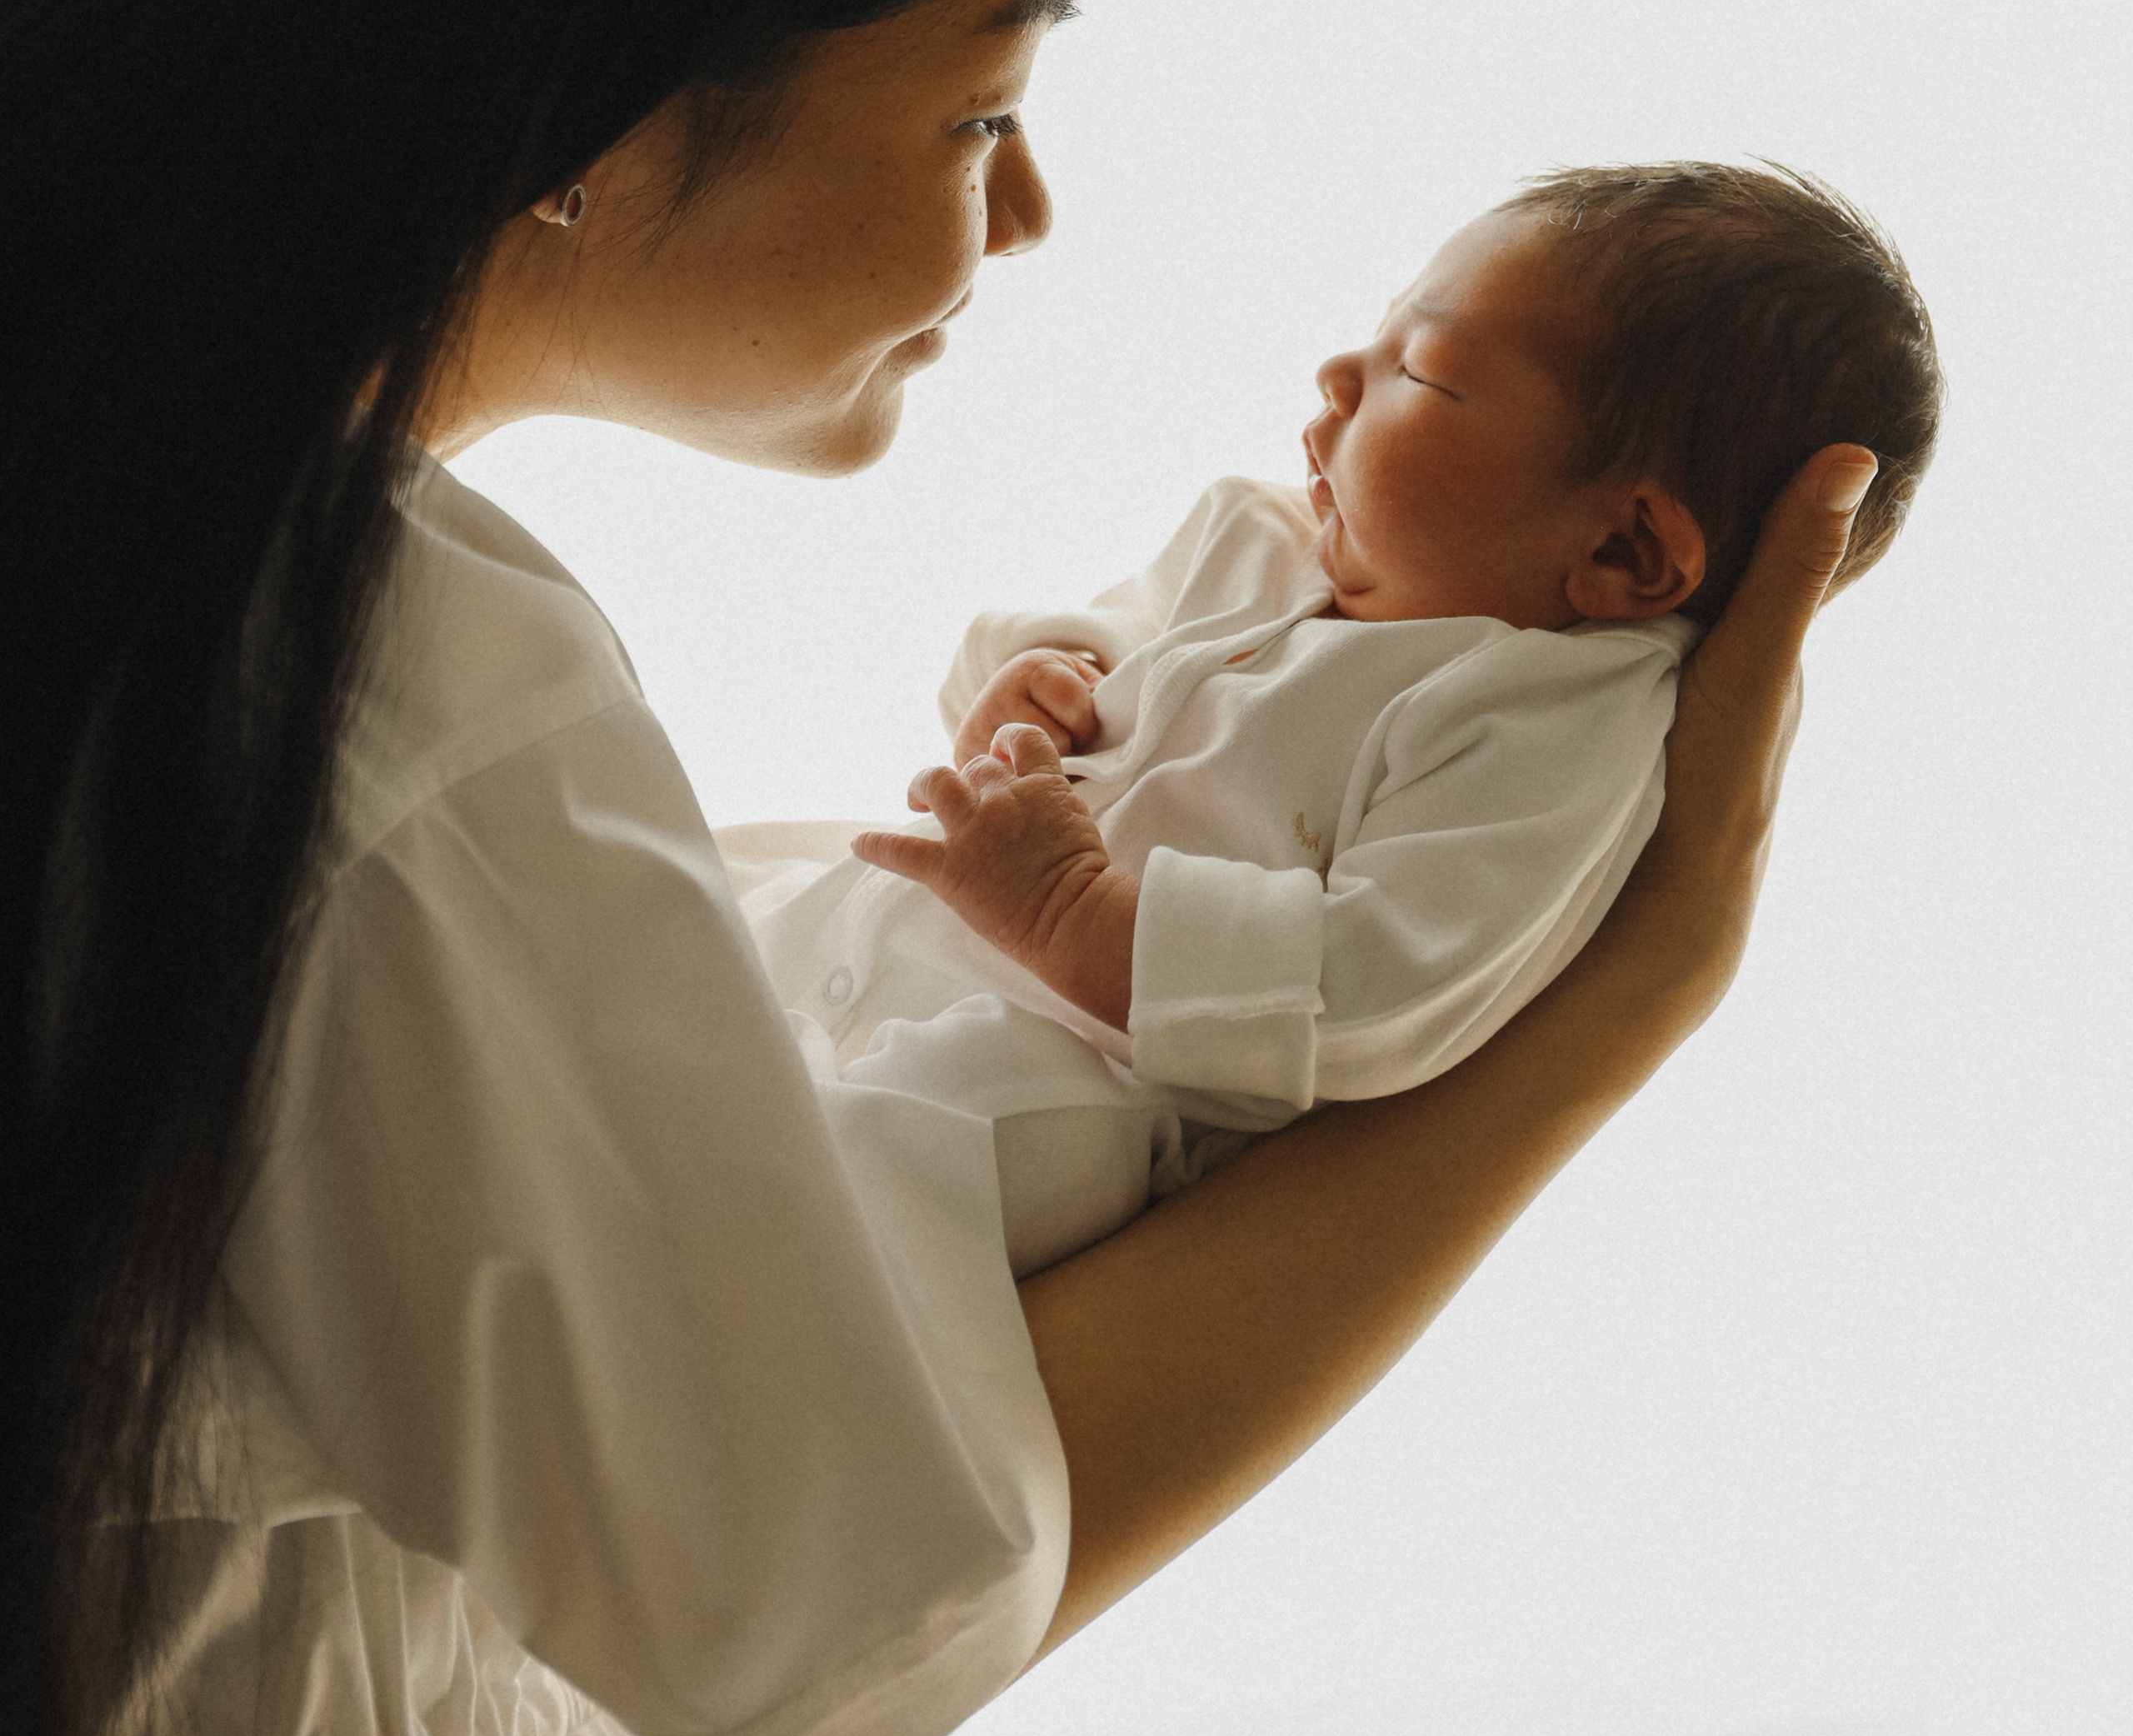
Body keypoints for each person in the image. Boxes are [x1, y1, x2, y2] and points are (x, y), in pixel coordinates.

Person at [0, 0, 1879, 1736]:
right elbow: (830, 1594)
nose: (1029, 206)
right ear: (600, 85)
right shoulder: (360, 690)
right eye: (988, 97)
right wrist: (1614, 1014)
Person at [736, 165, 1940, 1277]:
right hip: (877, 927)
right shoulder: (1258, 537)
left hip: (1069, 1073)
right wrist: (1044, 678)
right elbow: (1108, 629)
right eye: (1378, 334)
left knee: (948, 1150)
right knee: (720, 914)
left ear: (1624, 550)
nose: (1339, 375)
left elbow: (1381, 986)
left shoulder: (1554, 714)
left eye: (1426, 375)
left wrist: (1068, 909)